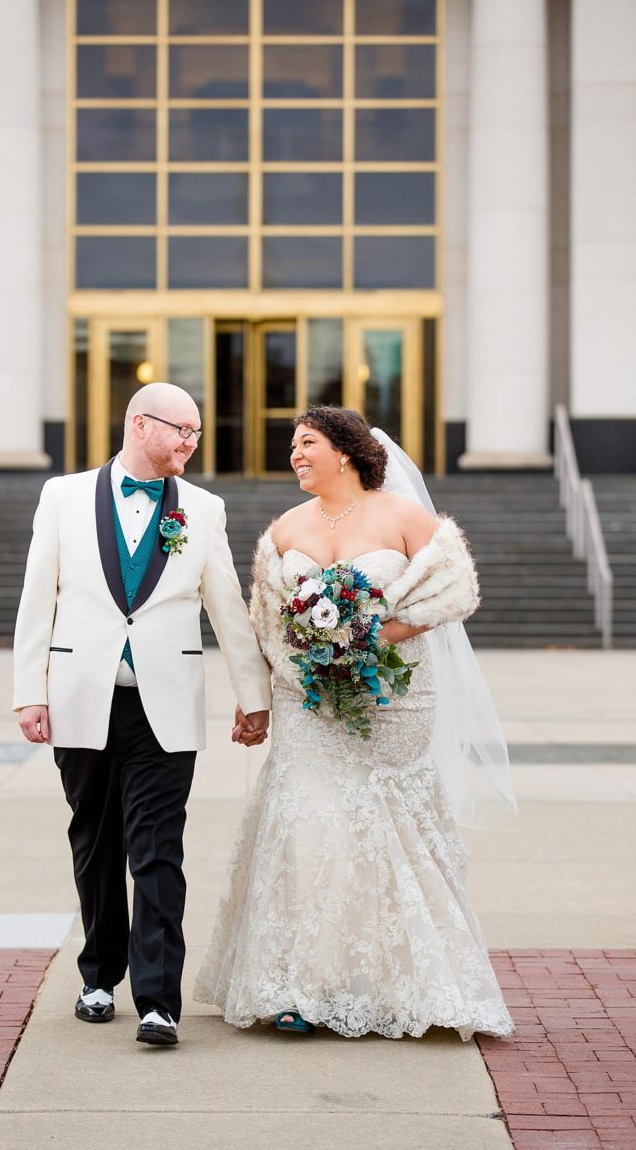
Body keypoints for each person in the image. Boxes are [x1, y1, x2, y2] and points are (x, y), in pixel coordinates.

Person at [195, 406, 516, 1040]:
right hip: (307, 700)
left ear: (345, 450)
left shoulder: (403, 517)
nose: (295, 453)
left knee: (385, 827)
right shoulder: (285, 529)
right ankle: (296, 986)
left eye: (306, 442)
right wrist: (254, 696)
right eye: (292, 444)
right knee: (304, 826)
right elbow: (265, 622)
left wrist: (374, 632)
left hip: (394, 698)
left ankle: (393, 981)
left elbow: (456, 588)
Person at [13, 383, 271, 1047]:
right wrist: (29, 692)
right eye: (181, 429)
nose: (191, 442)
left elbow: (227, 610)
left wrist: (254, 697)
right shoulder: (63, 497)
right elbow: (37, 599)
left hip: (166, 706)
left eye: (197, 432)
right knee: (94, 841)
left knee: (159, 849)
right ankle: (99, 975)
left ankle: (159, 1000)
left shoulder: (204, 510)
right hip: (79, 698)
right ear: (139, 424)